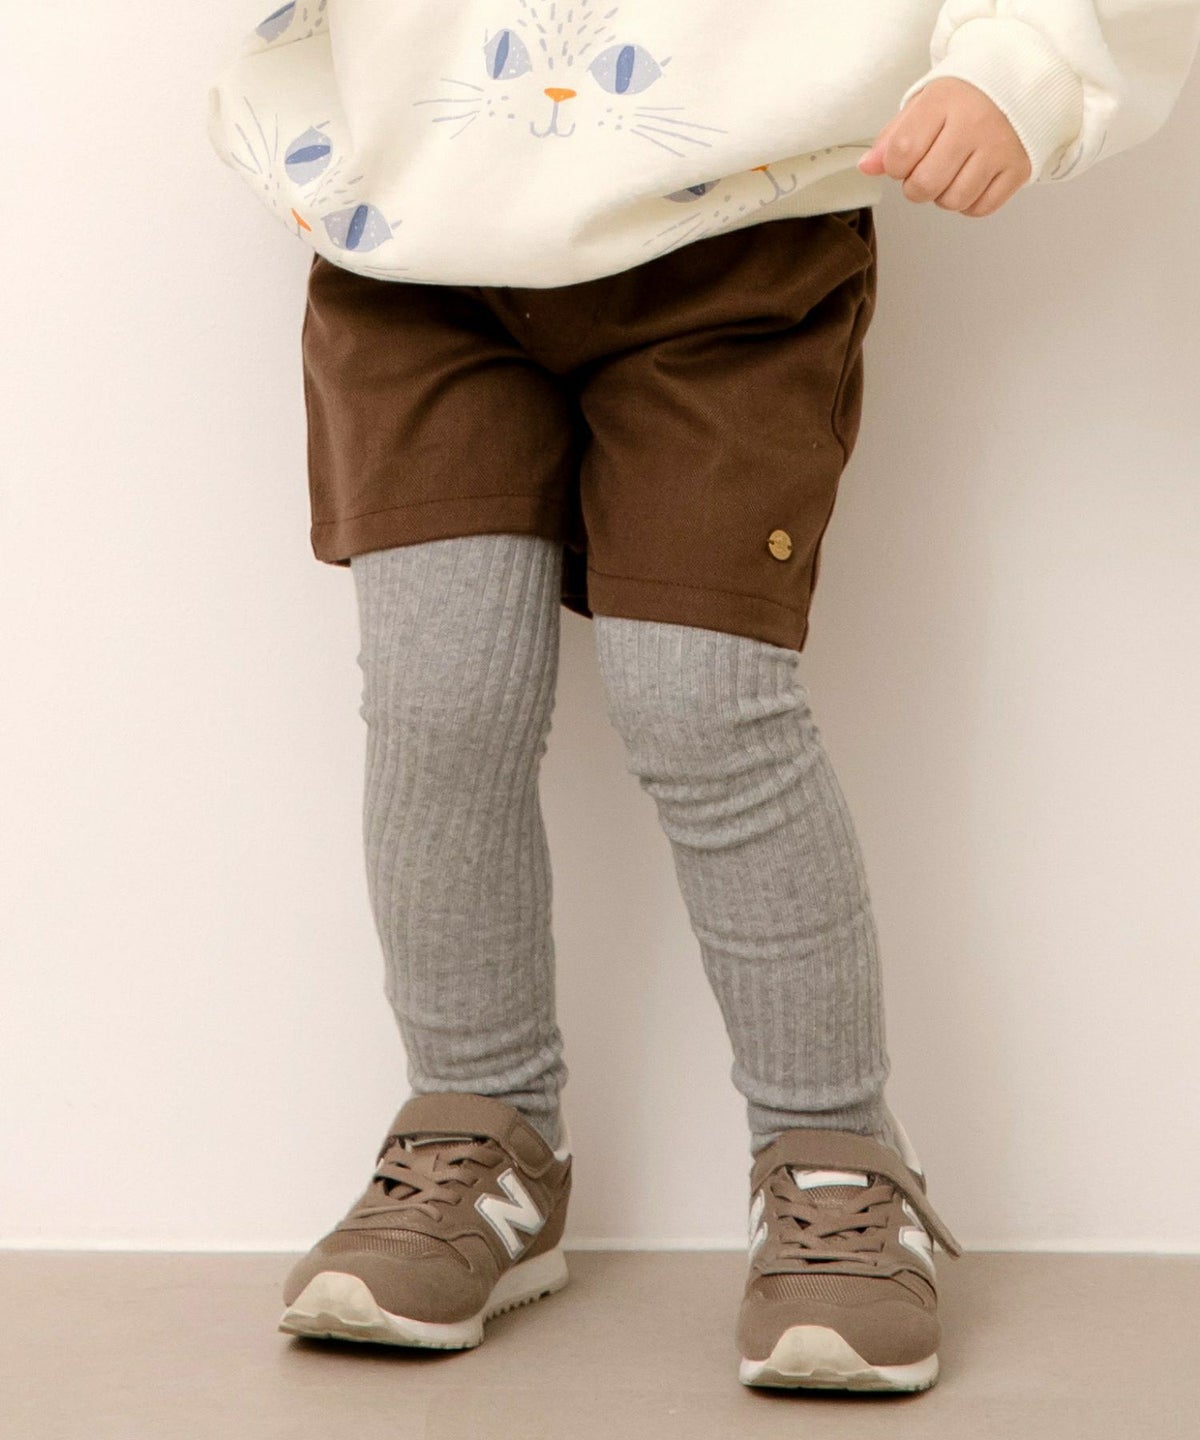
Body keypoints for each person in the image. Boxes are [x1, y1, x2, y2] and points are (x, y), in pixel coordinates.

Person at [207, 1, 1199, 1394]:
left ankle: (836, 1159)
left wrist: (1030, 65)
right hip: (417, 238)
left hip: (740, 232)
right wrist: (291, 115)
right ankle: (480, 1137)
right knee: (441, 704)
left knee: (704, 704)